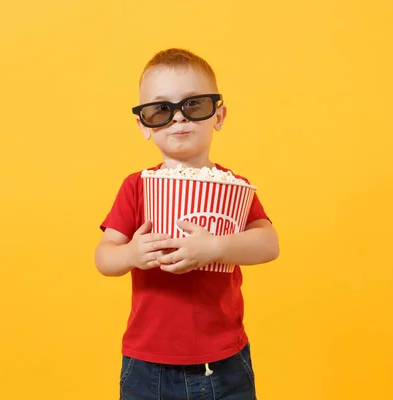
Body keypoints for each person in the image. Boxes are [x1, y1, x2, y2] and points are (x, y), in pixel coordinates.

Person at [94, 48, 280, 399]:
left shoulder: (234, 187)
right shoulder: (136, 187)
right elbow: (104, 257)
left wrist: (218, 247)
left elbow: (269, 244)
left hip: (225, 360)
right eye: (160, 109)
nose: (178, 119)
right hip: (147, 363)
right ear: (143, 125)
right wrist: (132, 253)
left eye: (194, 106)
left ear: (219, 115)